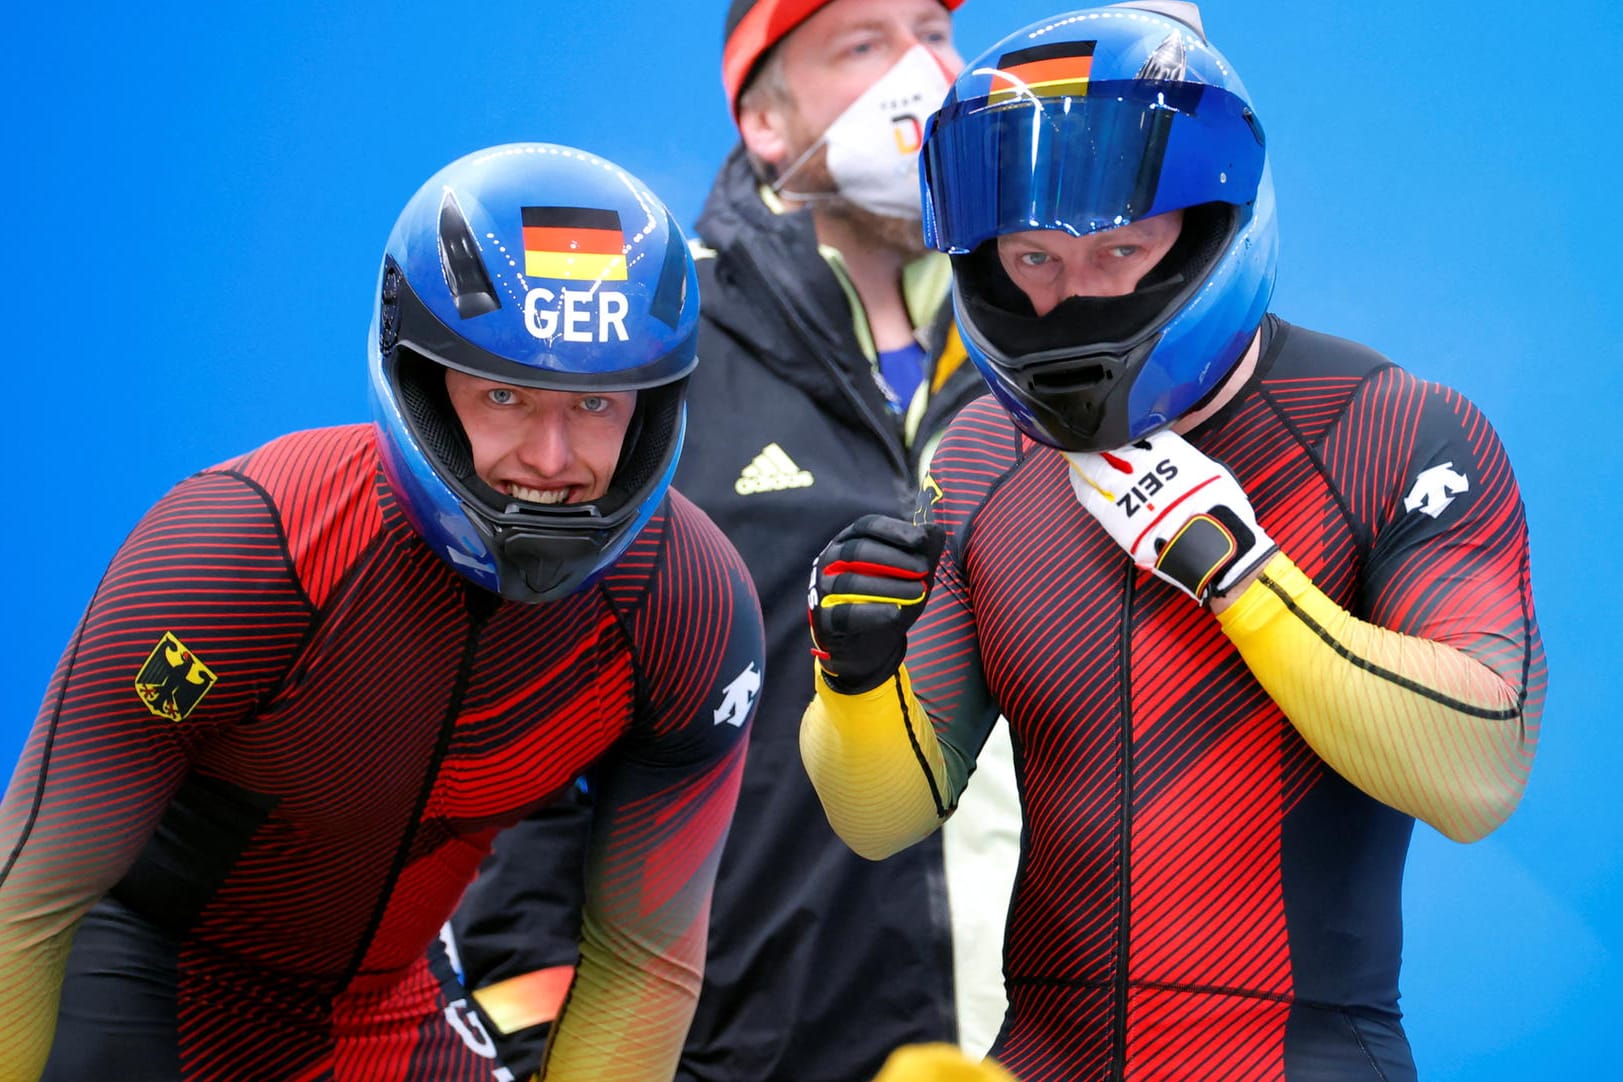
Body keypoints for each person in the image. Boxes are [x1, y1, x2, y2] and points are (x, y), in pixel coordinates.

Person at [801, 4, 1547, 1080]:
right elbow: (881, 815)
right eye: (1033, 256)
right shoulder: (977, 454)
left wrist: (1241, 576)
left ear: (1211, 228)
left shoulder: (1391, 427)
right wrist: (855, 676)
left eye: (1120, 248)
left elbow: (1479, 769)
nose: (1069, 298)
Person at [0, 142, 764, 1082]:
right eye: (505, 393)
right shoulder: (241, 549)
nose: (552, 458)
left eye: (597, 402)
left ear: (652, 407)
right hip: (141, 980)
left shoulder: (687, 607)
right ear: (419, 380)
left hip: (387, 1009)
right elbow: (28, 902)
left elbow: (642, 964)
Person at [444, 2, 1021, 1079]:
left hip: (1043, 1046)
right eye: (864, 44)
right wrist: (536, 1031)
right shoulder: (652, 368)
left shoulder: (1053, 333)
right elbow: (518, 724)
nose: (924, 73)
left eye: (936, 34)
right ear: (763, 117)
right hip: (748, 1050)